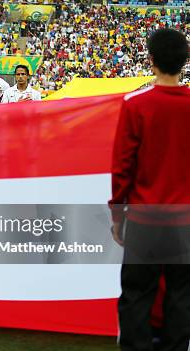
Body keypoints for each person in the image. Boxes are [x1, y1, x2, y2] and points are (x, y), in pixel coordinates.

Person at [109, 28, 190, 351]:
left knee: (136, 296)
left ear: (151, 60)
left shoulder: (136, 105)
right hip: (185, 222)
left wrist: (118, 214)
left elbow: (123, 167)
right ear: (184, 61)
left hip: (145, 219)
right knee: (181, 296)